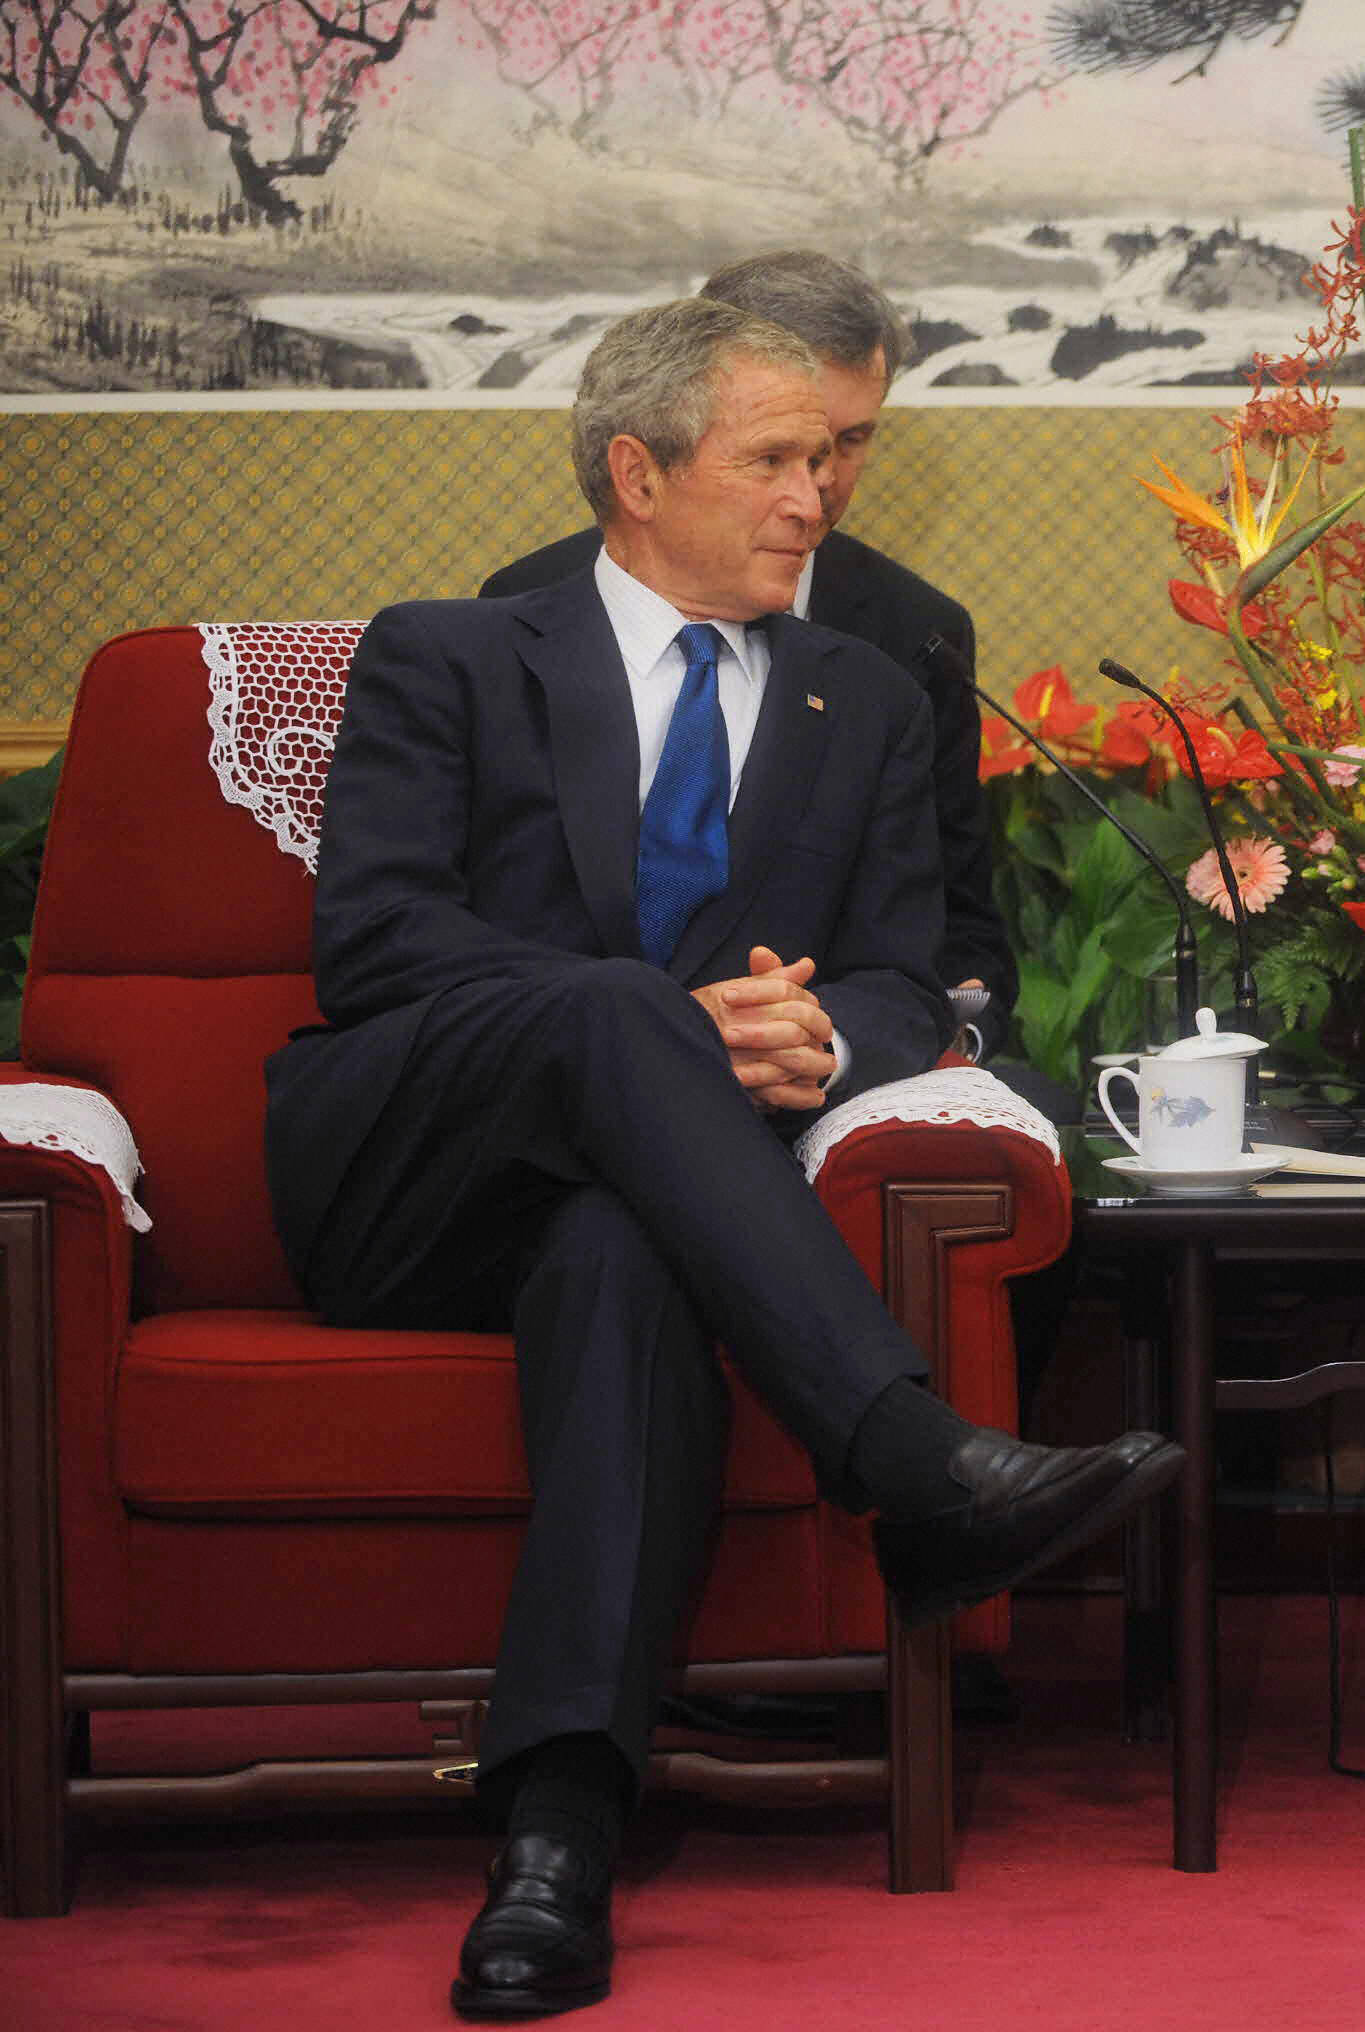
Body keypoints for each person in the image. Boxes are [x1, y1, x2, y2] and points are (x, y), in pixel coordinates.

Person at [267, 297, 1184, 2020]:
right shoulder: (455, 653)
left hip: (652, 1211)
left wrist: (828, 1039)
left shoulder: (864, 700)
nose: (817, 496)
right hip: (411, 1180)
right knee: (622, 1010)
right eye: (773, 459)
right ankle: (913, 1460)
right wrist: (674, 1025)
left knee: (619, 1258)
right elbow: (375, 946)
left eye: (830, 459)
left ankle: (555, 1841)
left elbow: (914, 981)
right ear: (638, 469)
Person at [483, 250, 1014, 1025]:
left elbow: (955, 932)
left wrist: (911, 1053)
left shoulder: (917, 638)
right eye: (777, 451)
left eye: (845, 444)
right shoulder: (524, 609)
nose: (819, 486)